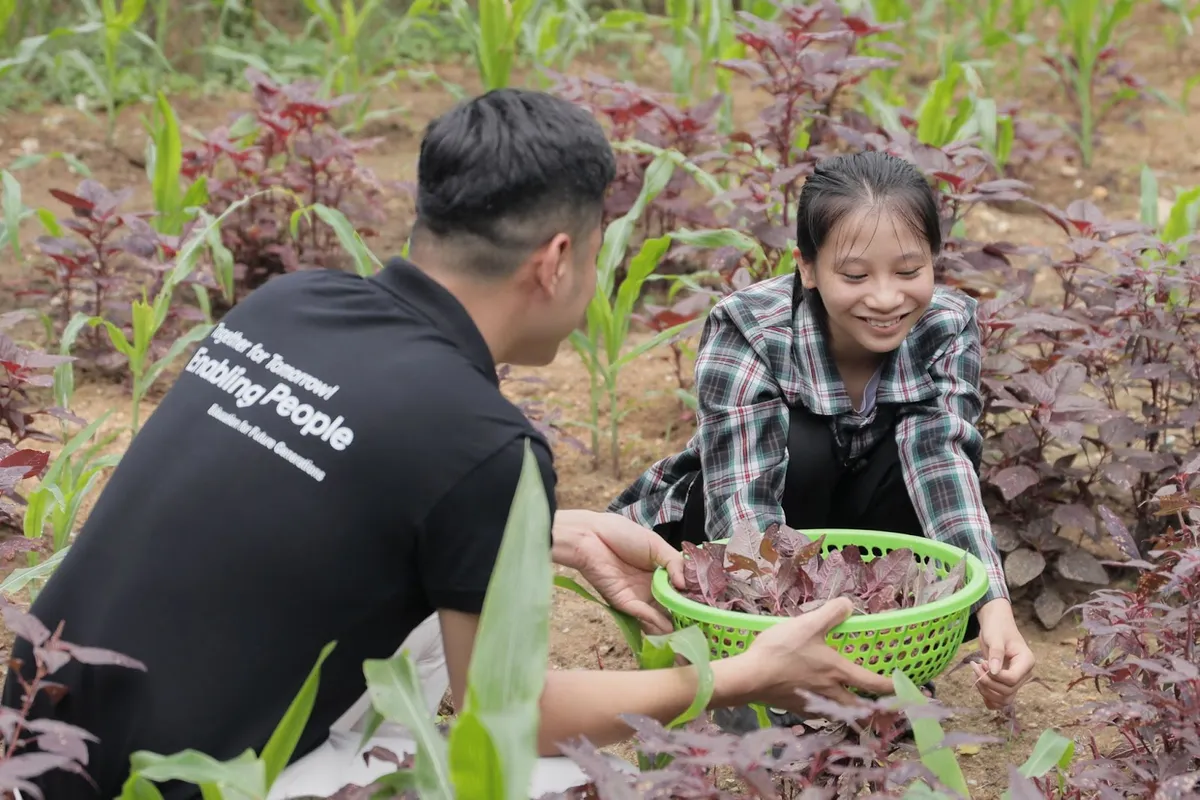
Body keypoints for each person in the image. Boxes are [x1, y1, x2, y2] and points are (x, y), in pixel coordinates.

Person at [1, 90, 895, 800]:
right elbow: (509, 720)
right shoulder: (485, 445)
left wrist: (552, 527)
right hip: (165, 786)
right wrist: (742, 675)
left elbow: (341, 489)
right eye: (598, 254)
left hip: (37, 735)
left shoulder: (289, 303)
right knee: (565, 777)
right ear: (554, 261)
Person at [609, 150, 1036, 727]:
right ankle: (751, 677)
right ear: (807, 267)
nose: (886, 299)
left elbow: (941, 466)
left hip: (859, 542)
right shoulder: (749, 327)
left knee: (910, 463)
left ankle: (883, 668)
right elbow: (742, 504)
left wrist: (995, 607)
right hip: (740, 537)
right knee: (804, 446)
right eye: (855, 276)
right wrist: (771, 641)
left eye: (909, 272)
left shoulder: (946, 324)